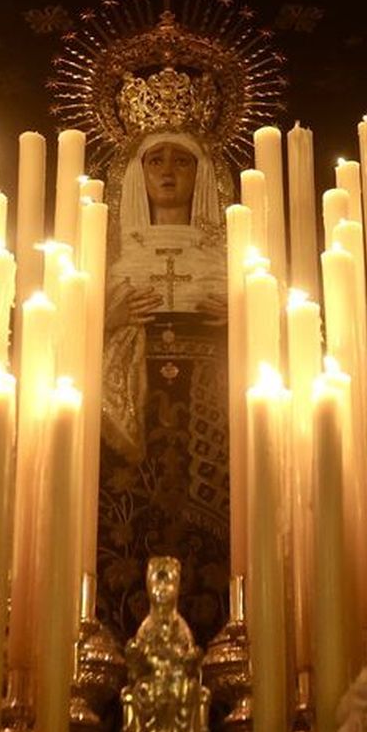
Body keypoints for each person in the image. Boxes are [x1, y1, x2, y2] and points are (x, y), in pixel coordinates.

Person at [97, 130, 231, 646]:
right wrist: (105, 319)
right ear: (137, 174)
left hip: (213, 421)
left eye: (183, 160)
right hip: (135, 425)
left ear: (203, 174)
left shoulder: (231, 258)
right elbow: (58, 350)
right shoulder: (111, 259)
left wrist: (249, 318)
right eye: (156, 161)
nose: (170, 171)